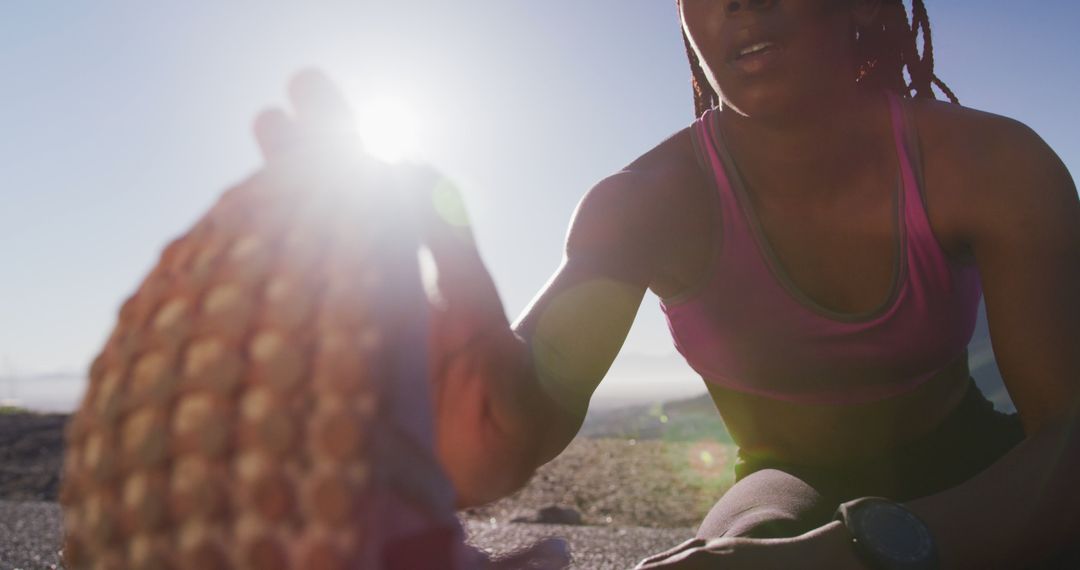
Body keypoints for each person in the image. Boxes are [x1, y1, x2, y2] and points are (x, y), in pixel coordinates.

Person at [253, 1, 1079, 567]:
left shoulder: (991, 165)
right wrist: (444, 411)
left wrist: (866, 550)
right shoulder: (644, 205)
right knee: (743, 541)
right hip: (784, 479)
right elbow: (522, 409)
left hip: (980, 463)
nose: (742, 2)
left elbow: (1067, 439)